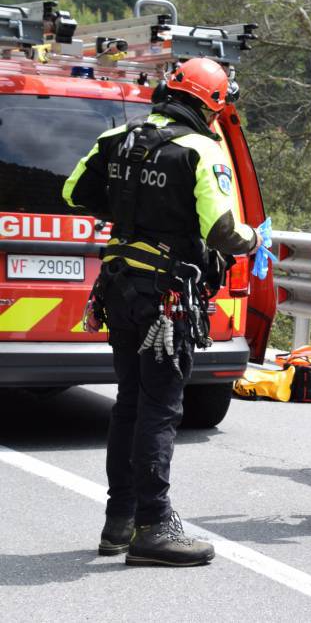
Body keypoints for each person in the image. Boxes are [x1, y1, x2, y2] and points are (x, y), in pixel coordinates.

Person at [62, 57, 261, 565]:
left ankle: (119, 522)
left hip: (120, 290)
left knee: (129, 402)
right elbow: (223, 233)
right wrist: (255, 238)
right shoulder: (201, 150)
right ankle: (153, 526)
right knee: (159, 409)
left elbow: (73, 193)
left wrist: (132, 214)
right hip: (166, 300)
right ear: (211, 103)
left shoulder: (119, 139)